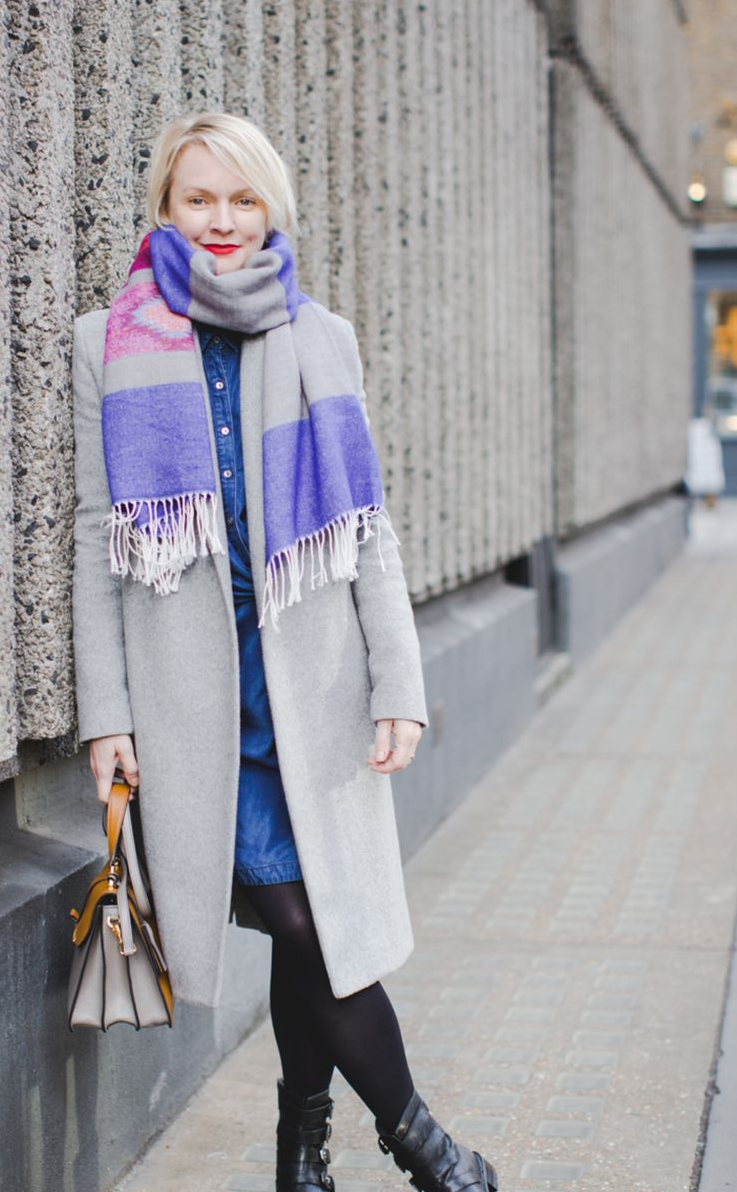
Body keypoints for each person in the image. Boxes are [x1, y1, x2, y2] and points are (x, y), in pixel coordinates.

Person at [71, 111, 498, 1192]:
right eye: (197, 199)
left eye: (241, 198)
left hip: (312, 695)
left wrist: (398, 678)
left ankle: (298, 1149)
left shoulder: (321, 338)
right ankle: (431, 1153)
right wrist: (106, 712)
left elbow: (366, 528)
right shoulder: (107, 342)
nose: (220, 221)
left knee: (317, 935)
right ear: (165, 208)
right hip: (193, 706)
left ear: (271, 208)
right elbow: (91, 536)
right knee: (309, 927)